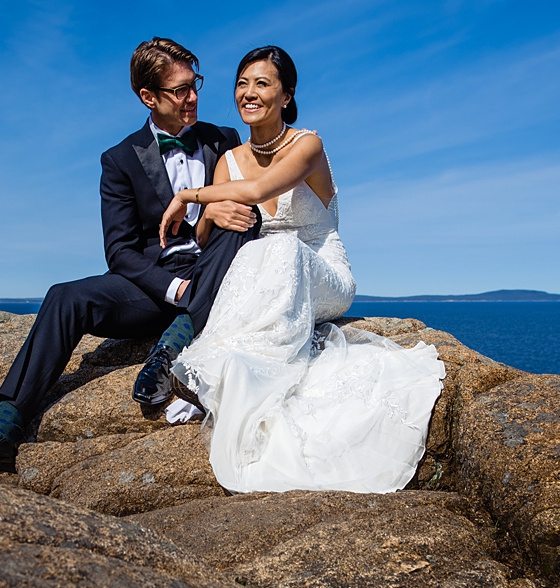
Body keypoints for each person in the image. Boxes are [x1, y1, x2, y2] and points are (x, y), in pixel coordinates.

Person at [0, 37, 260, 478]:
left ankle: (172, 349)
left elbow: (256, 211)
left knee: (241, 219)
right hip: (160, 284)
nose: (193, 97)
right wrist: (175, 288)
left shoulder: (226, 139)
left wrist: (214, 209)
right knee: (64, 296)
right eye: (180, 90)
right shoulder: (120, 160)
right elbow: (120, 252)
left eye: (195, 84)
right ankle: (1, 435)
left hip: (221, 268)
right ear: (148, 96)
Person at [160, 46, 447, 493]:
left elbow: (256, 189)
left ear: (287, 95)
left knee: (283, 249)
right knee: (257, 252)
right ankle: (223, 373)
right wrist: (211, 217)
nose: (248, 93)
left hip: (319, 270)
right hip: (263, 276)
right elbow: (207, 244)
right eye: (241, 83)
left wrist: (189, 197)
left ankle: (218, 368)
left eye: (262, 83)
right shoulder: (228, 161)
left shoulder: (308, 145)